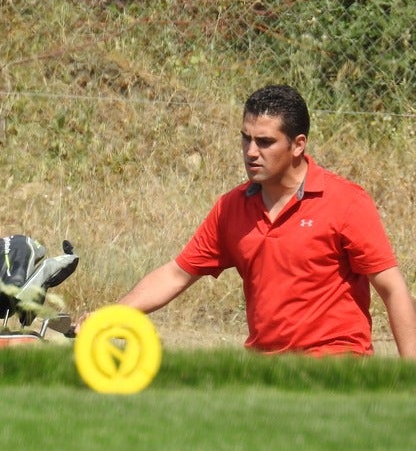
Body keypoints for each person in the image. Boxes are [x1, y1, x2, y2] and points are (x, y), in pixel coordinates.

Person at [82, 84, 416, 358]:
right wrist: (111, 316)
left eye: (265, 142)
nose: (251, 151)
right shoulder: (231, 208)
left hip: (335, 365)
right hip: (263, 369)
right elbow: (175, 274)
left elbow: (392, 289)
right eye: (246, 138)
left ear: (298, 145)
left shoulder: (346, 202)